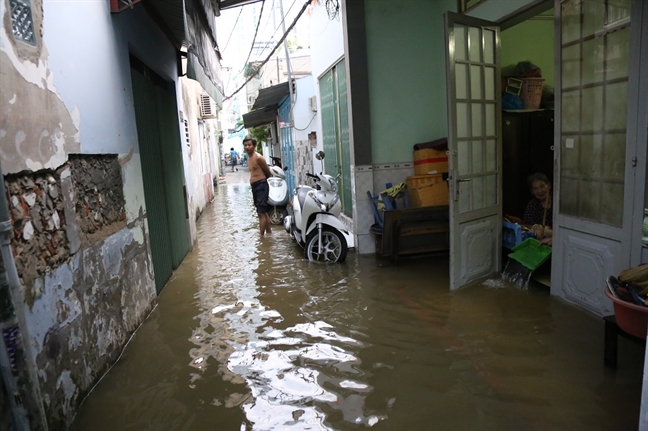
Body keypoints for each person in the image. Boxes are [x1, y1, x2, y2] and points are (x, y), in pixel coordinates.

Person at [243, 136, 273, 237]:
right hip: (255, 186)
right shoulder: (249, 158)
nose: (247, 147)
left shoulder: (258, 158)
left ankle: (261, 237)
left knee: (260, 212)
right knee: (263, 212)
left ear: (254, 146)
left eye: (249, 145)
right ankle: (269, 233)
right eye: (245, 145)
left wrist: (262, 183)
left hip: (261, 185)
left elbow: (268, 172)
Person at [523, 172, 553, 245]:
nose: (539, 191)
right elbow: (525, 225)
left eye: (542, 186)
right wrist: (534, 227)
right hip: (539, 244)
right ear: (532, 192)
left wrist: (550, 232)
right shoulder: (533, 204)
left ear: (549, 186)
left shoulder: (559, 203)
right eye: (535, 188)